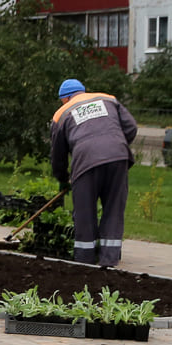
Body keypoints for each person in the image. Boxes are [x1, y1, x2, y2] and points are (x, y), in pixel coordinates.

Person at [50, 78, 138, 267]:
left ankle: (85, 261)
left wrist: (62, 178)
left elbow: (58, 154)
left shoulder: (61, 114)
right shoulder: (107, 99)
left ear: (64, 99)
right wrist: (116, 145)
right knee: (114, 209)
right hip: (118, 158)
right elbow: (131, 127)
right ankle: (109, 259)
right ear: (83, 91)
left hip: (85, 162)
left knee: (85, 212)